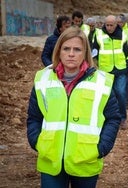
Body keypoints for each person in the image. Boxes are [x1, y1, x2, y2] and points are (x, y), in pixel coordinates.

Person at [27, 26, 121, 187]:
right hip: (51, 160)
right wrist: (37, 142)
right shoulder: (42, 79)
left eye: (77, 49)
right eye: (66, 48)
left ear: (85, 53)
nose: (71, 54)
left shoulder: (101, 81)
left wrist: (101, 148)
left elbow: (112, 118)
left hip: (86, 160)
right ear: (58, 51)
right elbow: (34, 117)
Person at [92, 15, 128, 129]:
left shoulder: (123, 34)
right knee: (107, 95)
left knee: (121, 93)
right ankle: (108, 119)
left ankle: (122, 118)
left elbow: (126, 51)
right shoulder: (98, 35)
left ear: (116, 24)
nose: (109, 27)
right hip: (105, 71)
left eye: (111, 25)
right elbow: (94, 51)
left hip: (120, 69)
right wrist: (97, 64)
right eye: (107, 25)